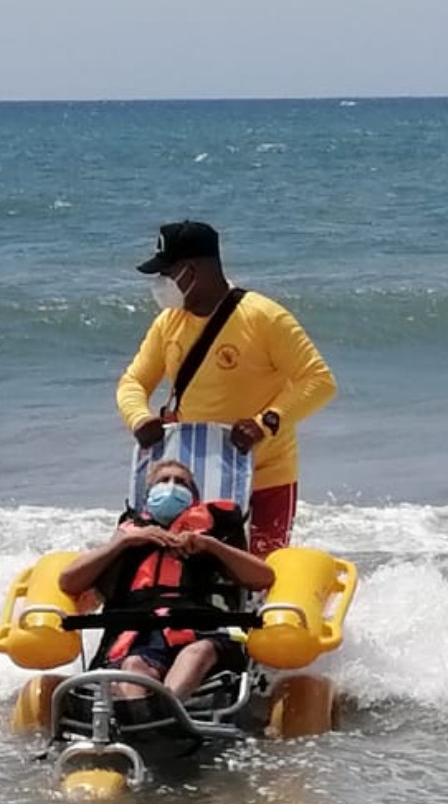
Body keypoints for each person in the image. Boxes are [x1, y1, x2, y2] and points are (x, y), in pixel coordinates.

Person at [118, 220, 337, 557]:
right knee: (195, 569)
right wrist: (139, 418)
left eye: (167, 273)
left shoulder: (264, 318)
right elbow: (132, 382)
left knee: (264, 568)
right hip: (199, 477)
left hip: (267, 474)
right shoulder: (168, 323)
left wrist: (266, 422)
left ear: (194, 270)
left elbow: (319, 380)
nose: (161, 284)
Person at [57, 459, 275, 701]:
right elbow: (69, 582)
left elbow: (262, 578)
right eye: (164, 481)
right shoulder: (128, 536)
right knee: (134, 665)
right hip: (141, 633)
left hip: (202, 629)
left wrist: (211, 546)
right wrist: (124, 543)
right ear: (148, 497)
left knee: (198, 652)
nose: (171, 487)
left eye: (181, 483)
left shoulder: (213, 535)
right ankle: (141, 717)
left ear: (194, 498)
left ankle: (162, 714)